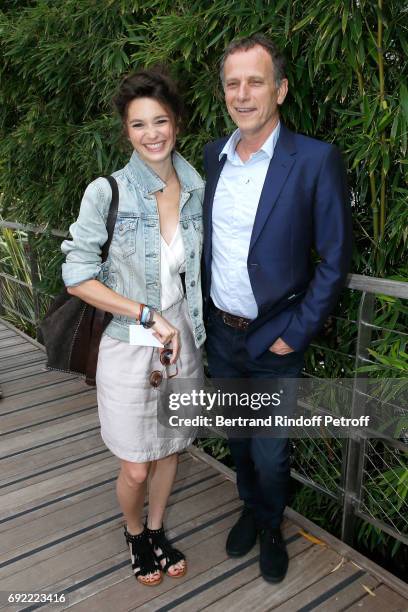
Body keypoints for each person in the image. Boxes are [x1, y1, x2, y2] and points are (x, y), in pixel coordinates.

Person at [202, 34, 352, 583]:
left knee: (271, 453)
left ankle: (271, 525)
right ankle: (250, 506)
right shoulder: (212, 156)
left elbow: (335, 260)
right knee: (237, 439)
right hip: (222, 333)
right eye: (233, 83)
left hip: (275, 338)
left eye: (255, 81)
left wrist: (298, 331)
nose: (243, 94)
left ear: (280, 89)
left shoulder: (314, 160)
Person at [61, 69, 205, 586]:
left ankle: (158, 529)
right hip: (128, 346)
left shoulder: (197, 188)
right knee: (136, 466)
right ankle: (133, 531)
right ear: (126, 130)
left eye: (160, 121)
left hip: (182, 342)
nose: (152, 133)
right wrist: (144, 312)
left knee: (170, 449)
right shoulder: (107, 192)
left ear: (177, 124)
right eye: (139, 123)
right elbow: (76, 275)